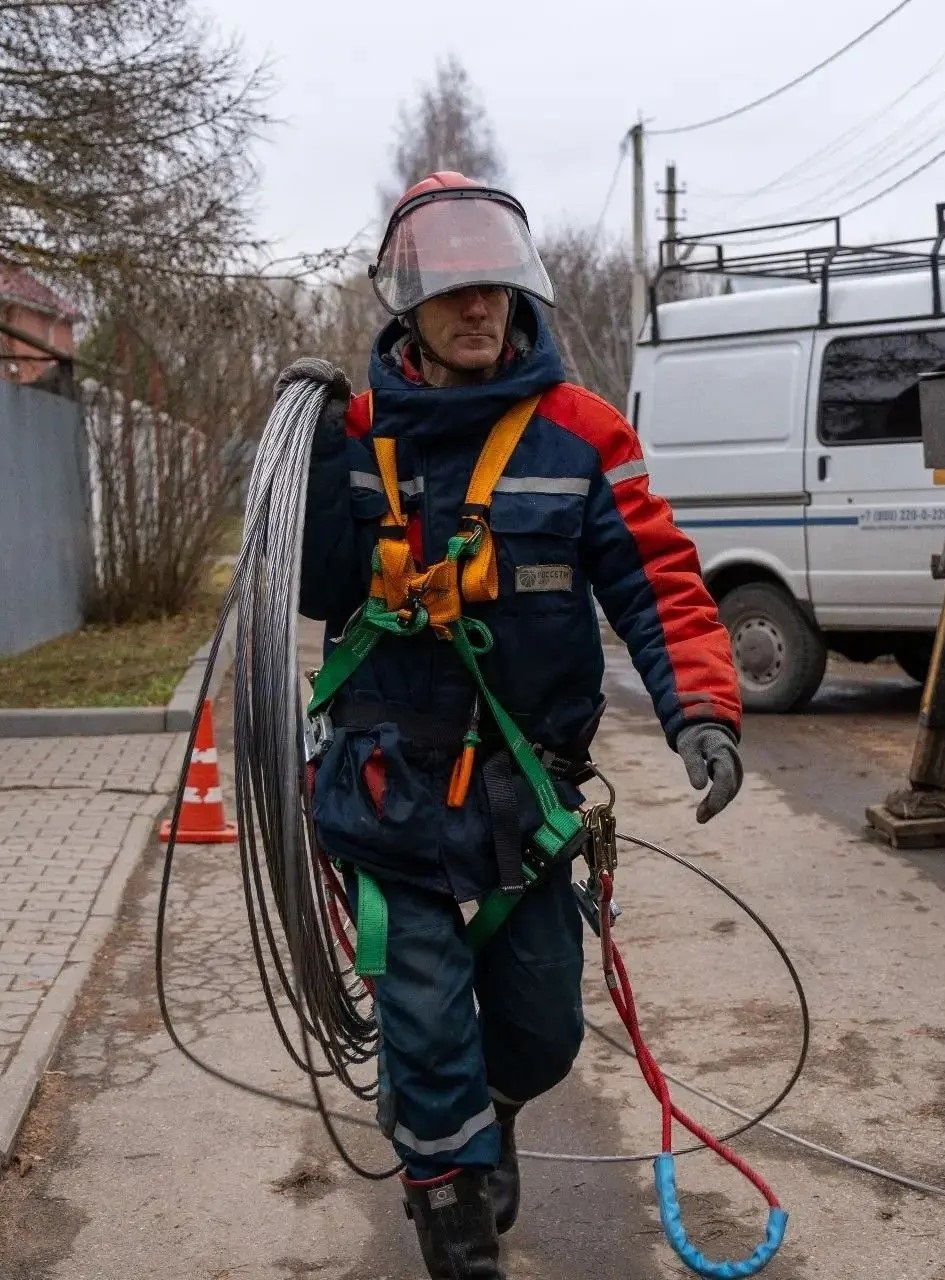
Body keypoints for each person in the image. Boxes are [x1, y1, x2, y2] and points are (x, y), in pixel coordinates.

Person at [289, 171, 744, 1279]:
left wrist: (701, 709)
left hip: (525, 802)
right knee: (430, 1028)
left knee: (542, 1028)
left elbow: (659, 582)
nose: (478, 309)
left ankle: (478, 1118)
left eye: (492, 288)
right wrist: (309, 462)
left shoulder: (582, 434)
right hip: (388, 790)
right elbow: (312, 585)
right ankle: (454, 1221)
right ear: (409, 306)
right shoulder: (356, 434)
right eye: (453, 293)